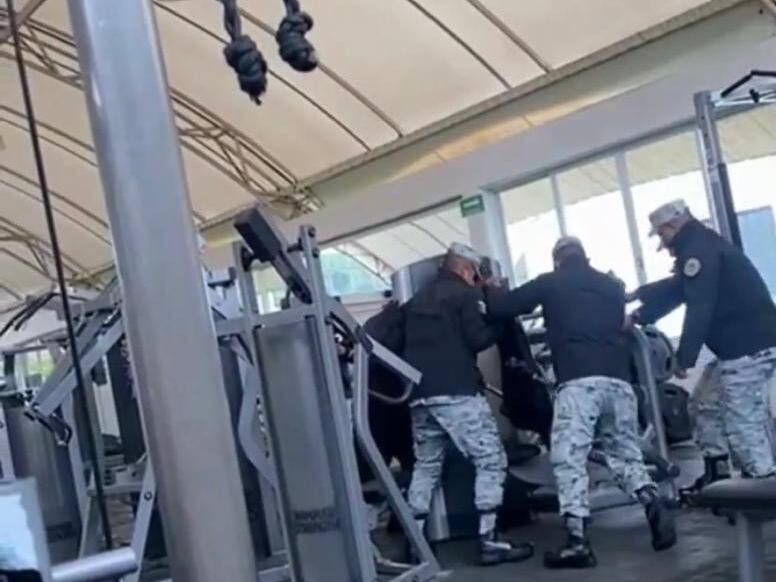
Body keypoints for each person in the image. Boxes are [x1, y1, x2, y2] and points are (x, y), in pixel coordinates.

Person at [487, 236, 676, 569]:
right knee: (625, 454)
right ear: (585, 256)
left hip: (579, 385)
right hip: (619, 384)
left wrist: (491, 289)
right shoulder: (611, 286)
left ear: (557, 259)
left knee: (569, 460)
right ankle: (651, 500)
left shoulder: (551, 281)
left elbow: (503, 308)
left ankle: (577, 542)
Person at [626, 200, 776, 489]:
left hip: (748, 349)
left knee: (743, 419)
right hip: (744, 348)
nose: (663, 244)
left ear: (672, 225)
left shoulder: (699, 250)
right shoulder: (701, 246)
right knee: (705, 405)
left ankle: (765, 487)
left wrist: (684, 358)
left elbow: (699, 306)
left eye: (662, 234)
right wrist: (638, 306)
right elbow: (680, 288)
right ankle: (717, 473)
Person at [403, 242, 534, 566]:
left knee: (427, 466)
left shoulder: (416, 300)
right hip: (456, 392)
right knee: (490, 460)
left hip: (420, 396)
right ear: (465, 269)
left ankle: (415, 544)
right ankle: (489, 540)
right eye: (475, 274)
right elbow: (478, 339)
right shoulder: (464, 294)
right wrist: (500, 318)